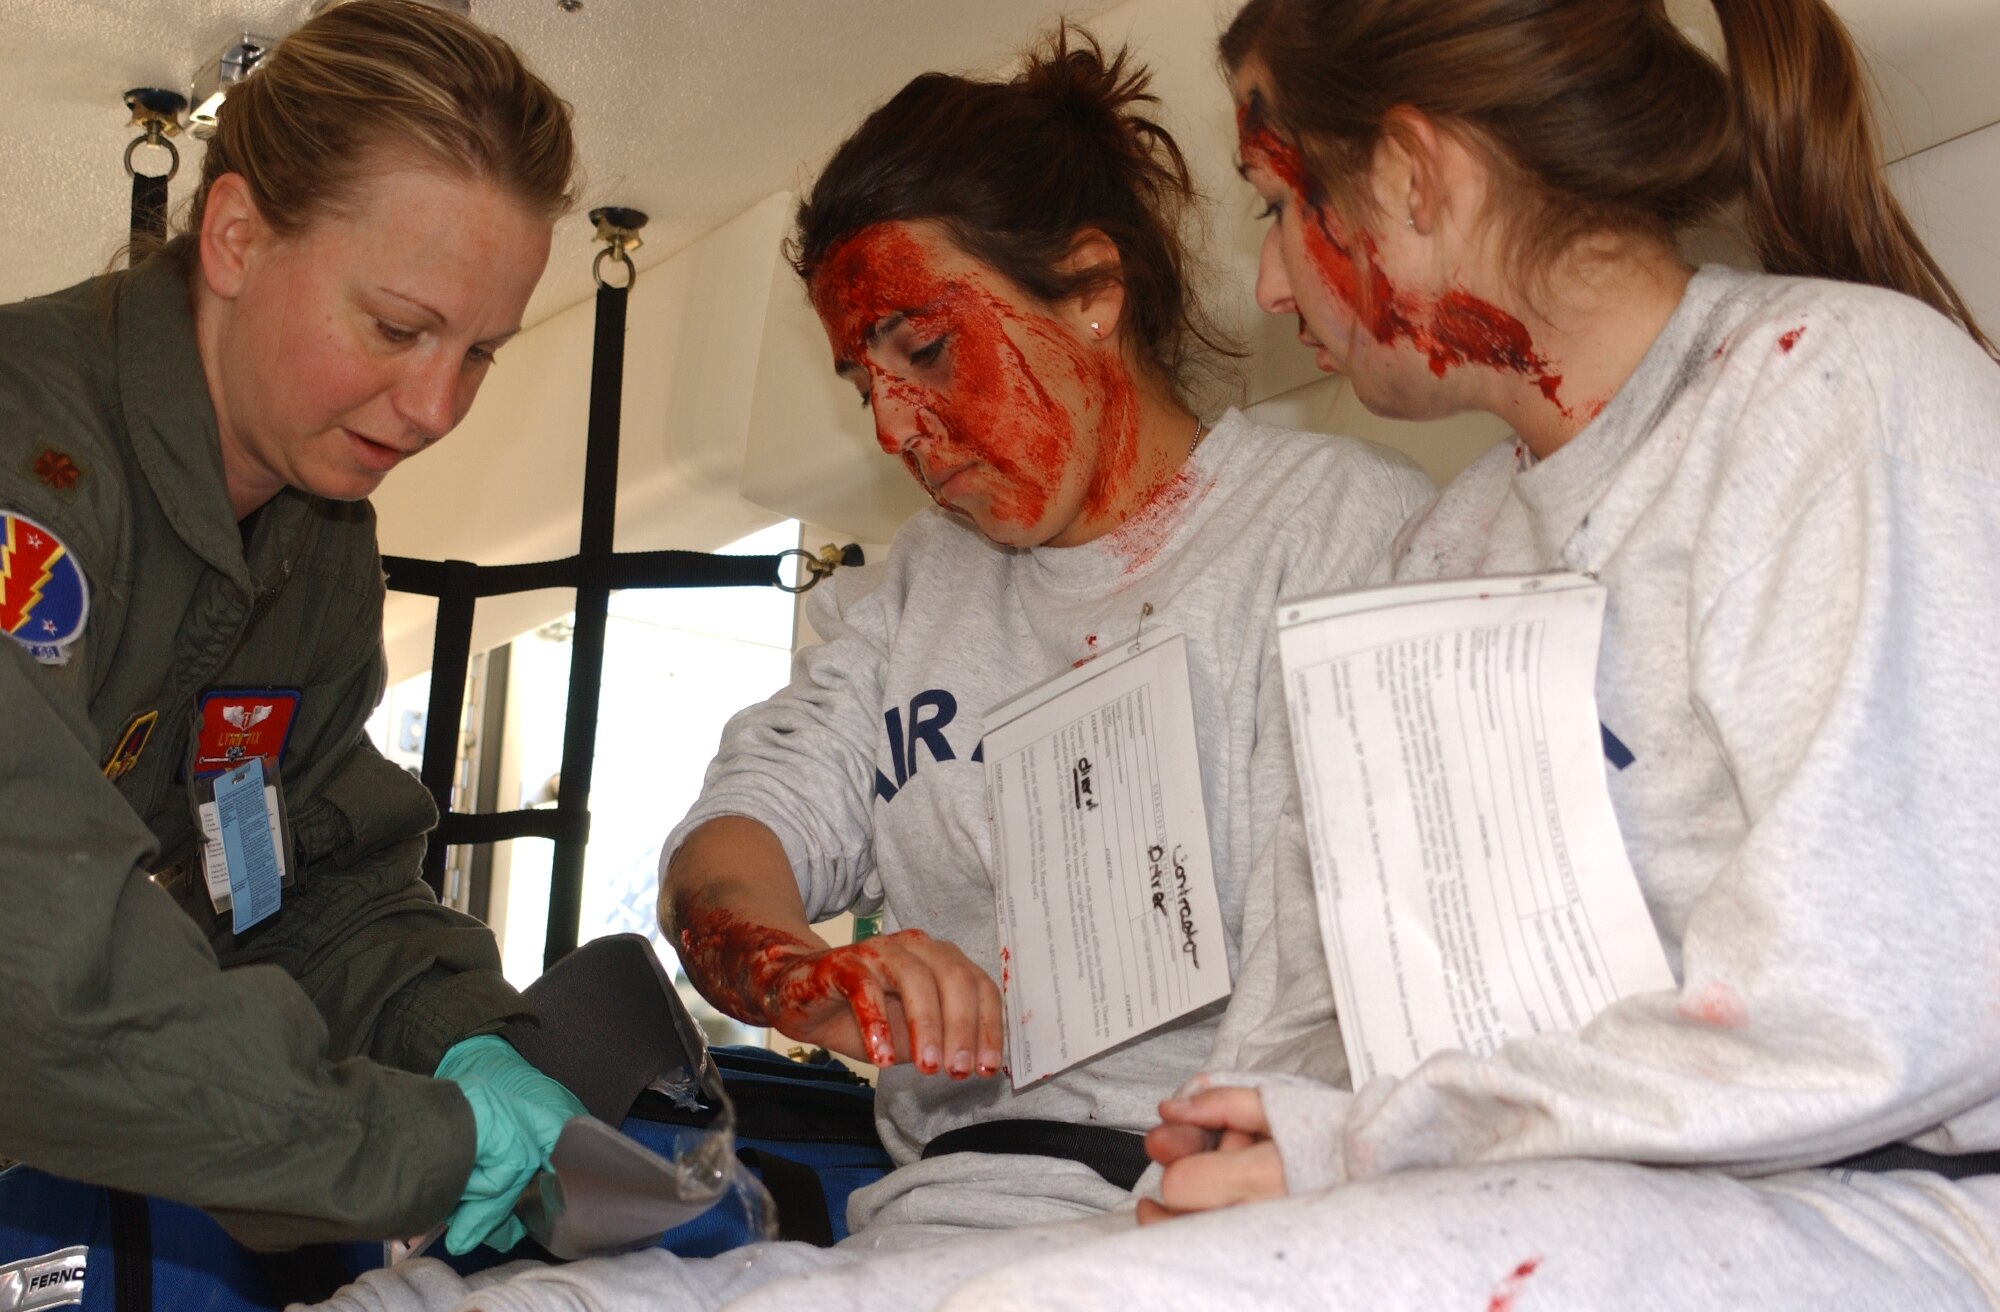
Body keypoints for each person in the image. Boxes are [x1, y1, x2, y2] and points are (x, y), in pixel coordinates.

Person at [307, 27, 1430, 1312]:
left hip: (1209, 1229)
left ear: (1089, 289)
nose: (898, 429)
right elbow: (723, 853)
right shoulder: (912, 595)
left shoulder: (1344, 537)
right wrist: (800, 968)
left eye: (926, 349)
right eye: (862, 384)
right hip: (928, 1224)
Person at [897, 0, 2000, 1306]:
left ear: (1415, 179)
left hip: (1887, 1207)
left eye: (1273, 204)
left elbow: (1886, 1005)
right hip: (1550, 1190)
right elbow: (1328, 990)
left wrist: (1363, 1140)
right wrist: (1239, 1135)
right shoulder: (1450, 546)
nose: (1264, 281)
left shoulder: (1834, 395)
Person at [0, 0, 589, 1256]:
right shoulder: (27, 475)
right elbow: (28, 979)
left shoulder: (315, 542)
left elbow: (302, 870)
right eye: (395, 327)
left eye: (481, 352)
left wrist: (462, 1035)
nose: (433, 407)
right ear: (234, 236)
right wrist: (419, 1145)